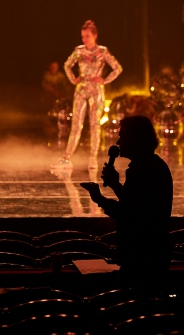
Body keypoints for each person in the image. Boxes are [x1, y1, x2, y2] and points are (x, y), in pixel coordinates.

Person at [81, 116, 173, 291]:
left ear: (136, 138)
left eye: (123, 136)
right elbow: (135, 204)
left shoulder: (145, 170)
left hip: (144, 256)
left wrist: (100, 199)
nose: (118, 141)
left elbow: (129, 214)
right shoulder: (151, 166)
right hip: (149, 253)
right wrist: (115, 184)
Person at [51, 20, 122, 169]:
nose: (85, 39)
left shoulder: (102, 51)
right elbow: (67, 65)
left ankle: (93, 158)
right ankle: (67, 157)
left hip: (96, 90)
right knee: (76, 124)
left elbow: (117, 68)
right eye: (83, 36)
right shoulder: (79, 50)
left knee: (95, 124)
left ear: (95, 36)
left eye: (87, 36)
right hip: (81, 90)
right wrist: (73, 79)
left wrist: (104, 80)